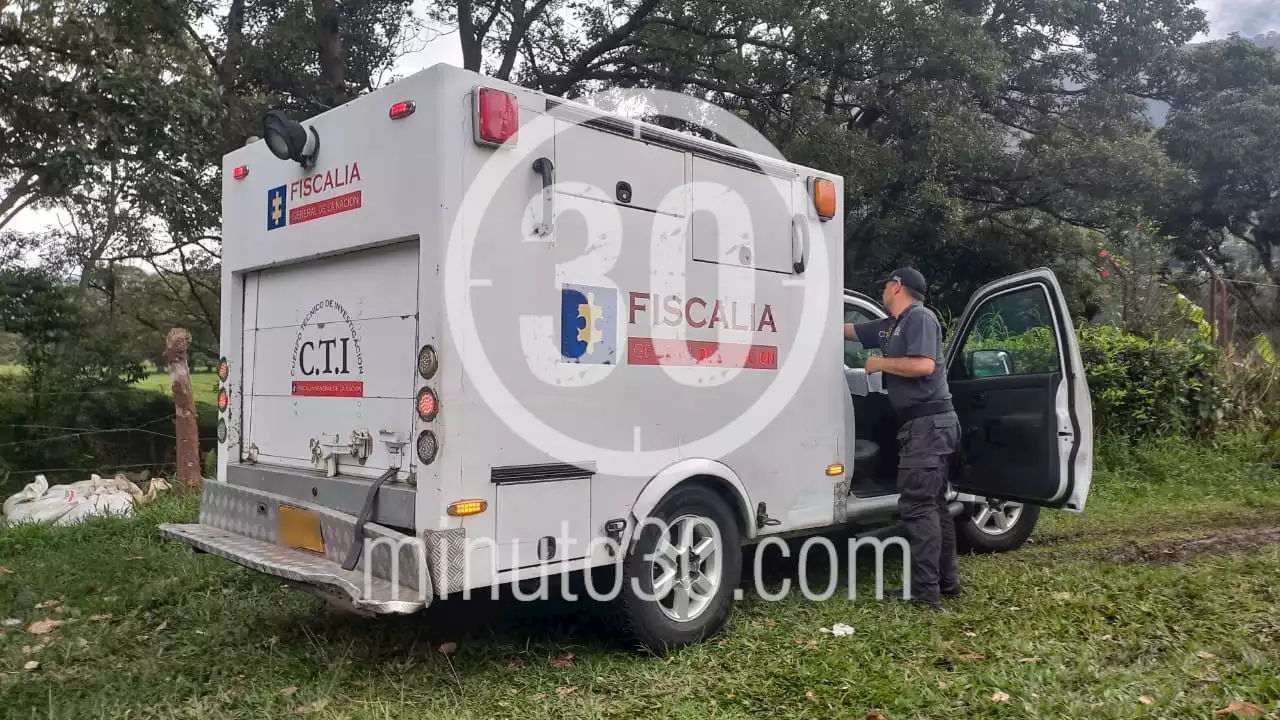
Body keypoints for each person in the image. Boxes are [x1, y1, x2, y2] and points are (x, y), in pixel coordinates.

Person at [844, 267, 961, 609]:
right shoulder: (888, 326)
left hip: (930, 424)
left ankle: (927, 592)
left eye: (885, 284)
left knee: (918, 505)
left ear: (896, 286)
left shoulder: (919, 318)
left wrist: (880, 363)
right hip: (923, 426)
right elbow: (846, 330)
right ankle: (947, 582)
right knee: (935, 504)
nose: (883, 289)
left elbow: (924, 365)